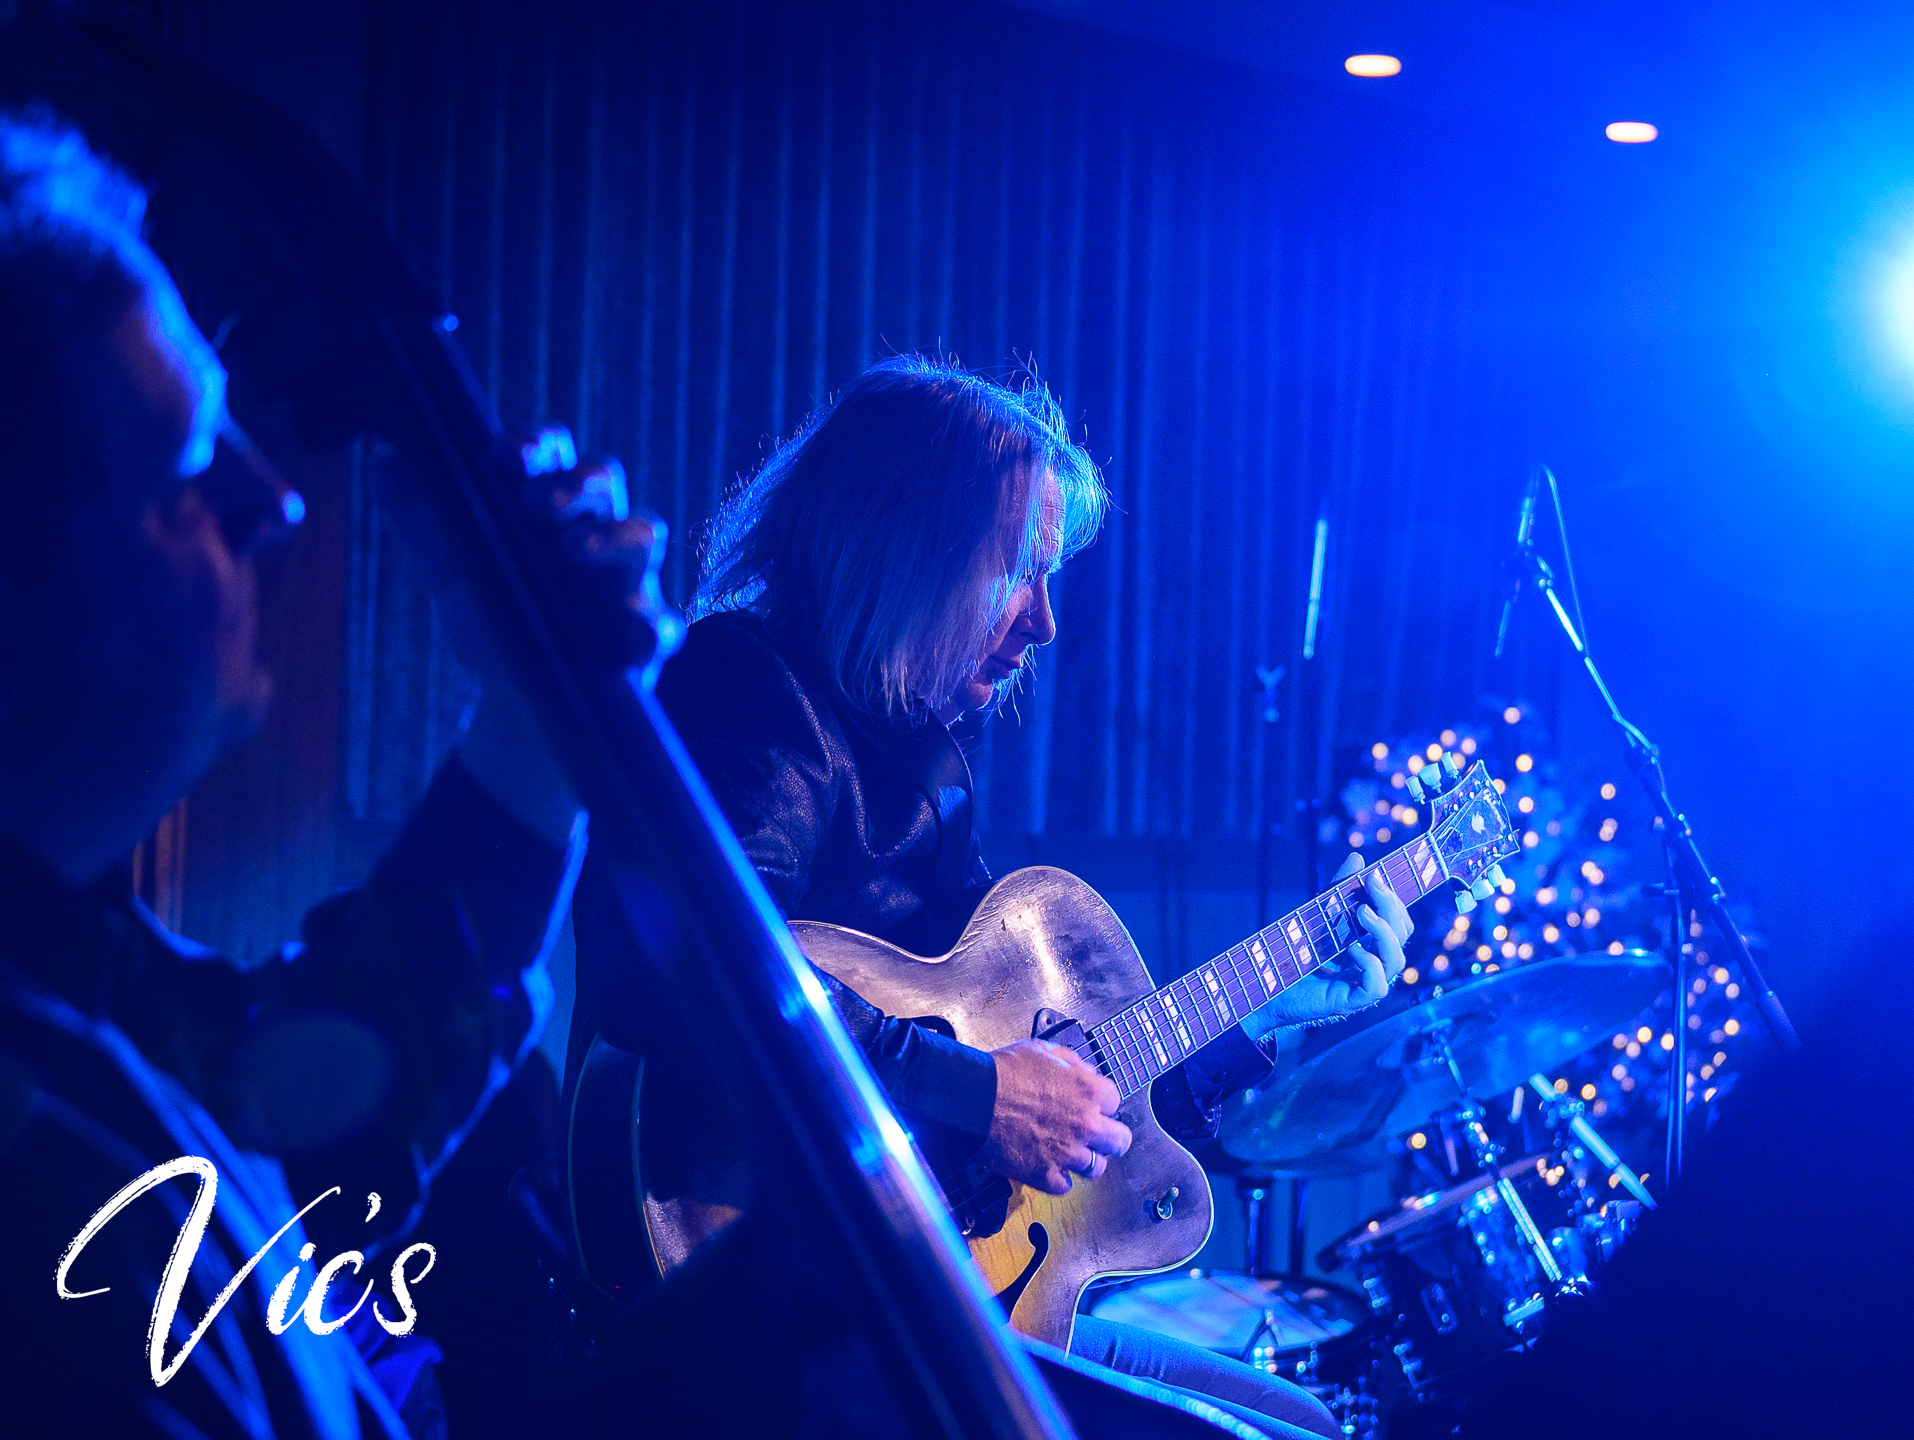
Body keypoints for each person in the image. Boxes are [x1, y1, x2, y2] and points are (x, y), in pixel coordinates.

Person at [572, 355, 1412, 1437]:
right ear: (904, 546)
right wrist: (978, 1094)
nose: (1044, 621)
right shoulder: (742, 693)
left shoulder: (920, 750)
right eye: (1019, 570)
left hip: (944, 1294)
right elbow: (683, 970)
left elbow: (1062, 1090)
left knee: (1306, 1422)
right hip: (779, 1304)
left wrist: (1272, 1013)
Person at [0, 113, 675, 1438]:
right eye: (187, 466)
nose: (276, 500)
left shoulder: (67, 967)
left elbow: (292, 1130)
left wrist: (532, 730)